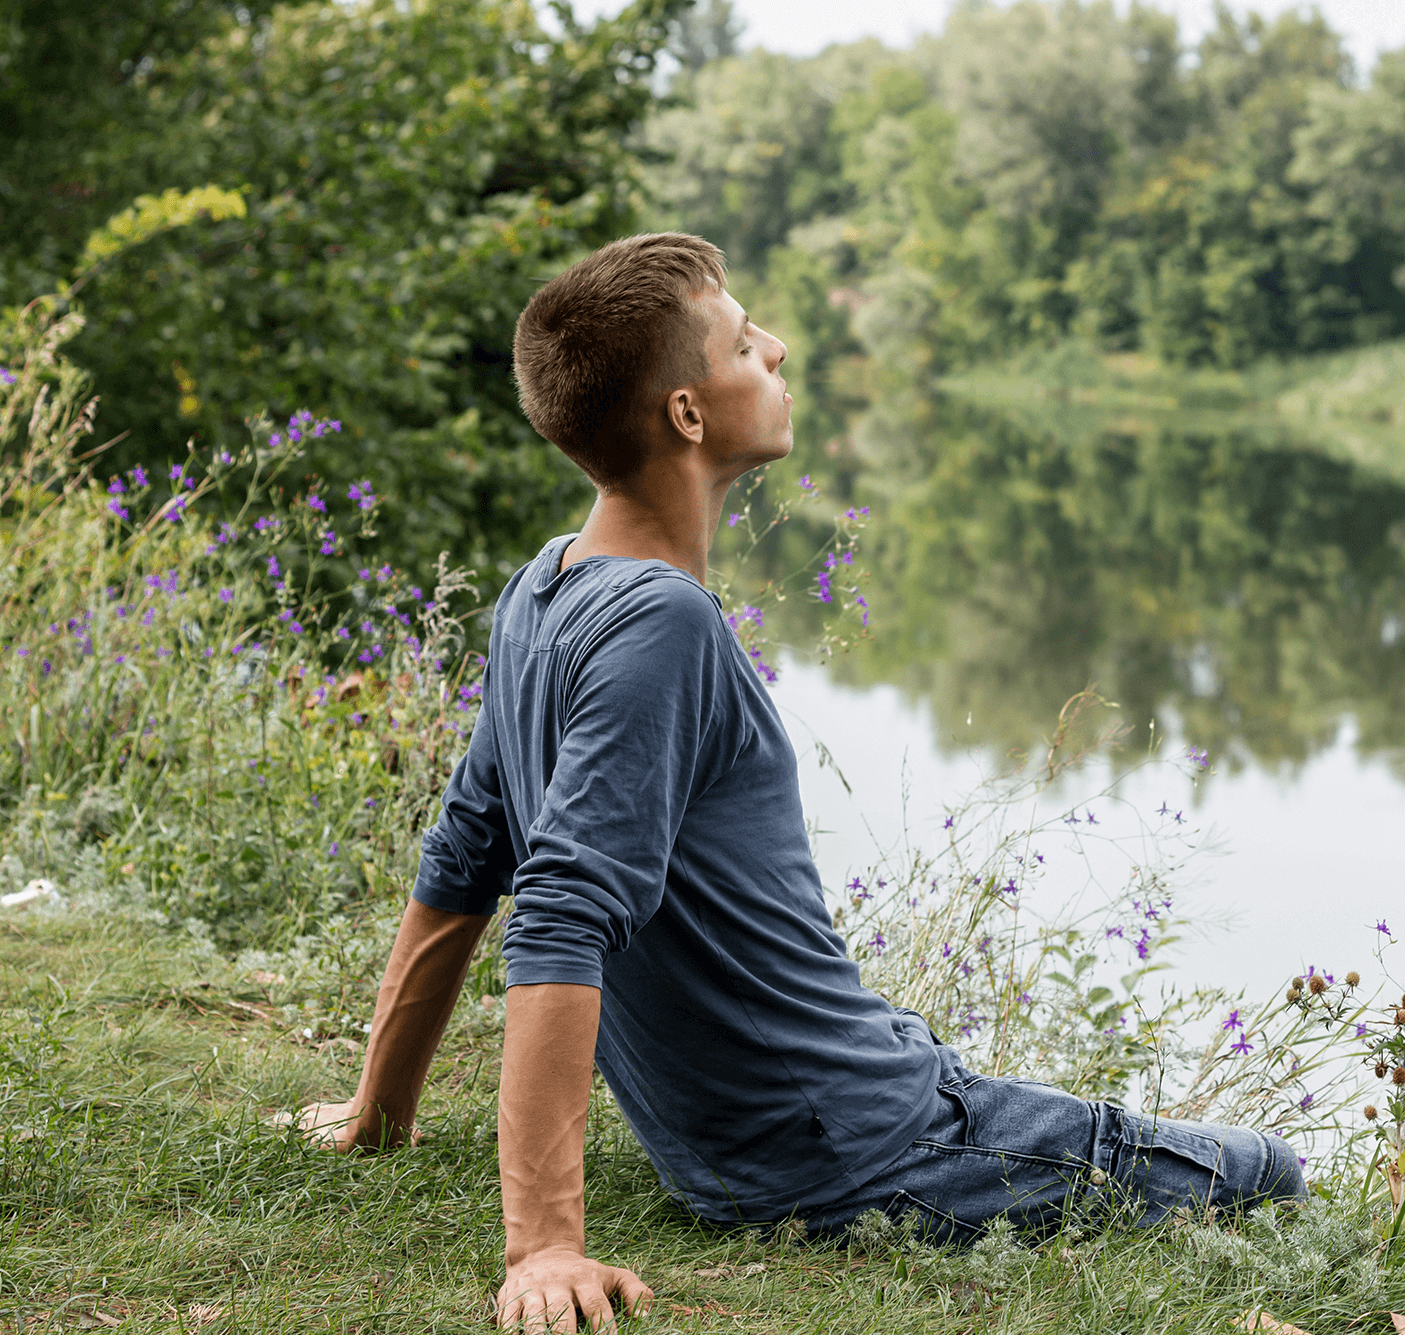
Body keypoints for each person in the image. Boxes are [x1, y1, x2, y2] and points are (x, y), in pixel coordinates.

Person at [297, 232, 1306, 1333]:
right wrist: (543, 1248)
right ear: (687, 414)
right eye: (742, 341)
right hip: (856, 1146)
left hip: (753, 1145)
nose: (775, 349)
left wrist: (379, 1111)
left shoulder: (543, 591)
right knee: (1265, 1172)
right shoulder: (660, 620)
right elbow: (553, 912)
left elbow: (462, 861)